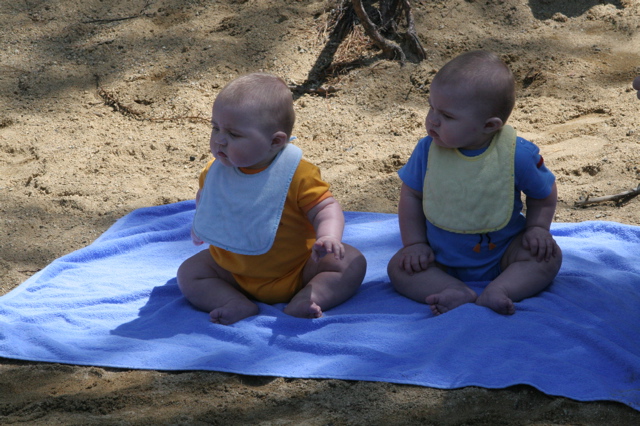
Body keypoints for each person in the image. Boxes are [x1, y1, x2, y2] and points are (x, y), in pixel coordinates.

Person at [178, 73, 366, 325]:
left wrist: (329, 236)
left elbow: (325, 207)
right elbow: (208, 198)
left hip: (298, 270)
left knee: (351, 262)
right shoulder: (215, 172)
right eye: (215, 128)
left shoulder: (297, 174)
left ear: (275, 141)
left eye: (234, 134)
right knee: (189, 273)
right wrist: (203, 222)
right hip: (232, 270)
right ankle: (232, 301)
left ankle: (309, 297)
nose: (220, 139)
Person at [387, 50, 562, 316]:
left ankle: (501, 289)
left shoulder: (517, 154)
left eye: (447, 116)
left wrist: (538, 228)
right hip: (438, 256)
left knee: (547, 257)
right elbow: (411, 195)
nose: (432, 119)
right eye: (431, 107)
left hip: (505, 253)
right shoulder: (427, 151)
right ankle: (453, 290)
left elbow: (544, 192)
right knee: (399, 267)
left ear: (490, 125)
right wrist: (414, 244)